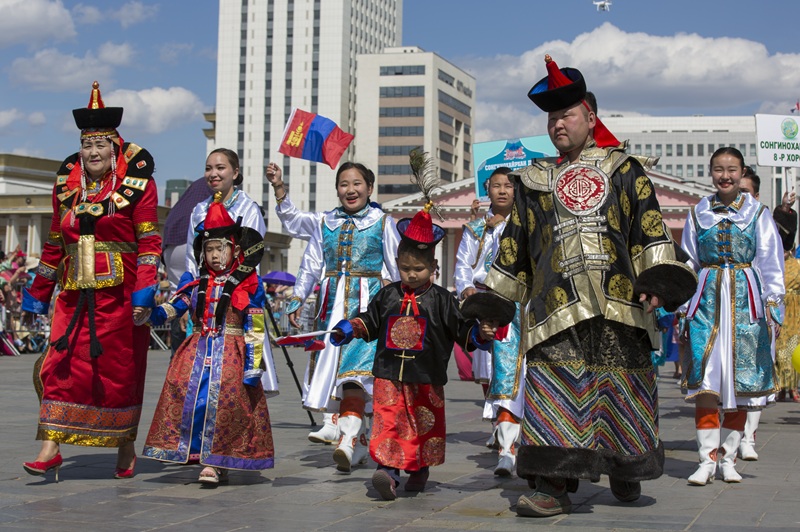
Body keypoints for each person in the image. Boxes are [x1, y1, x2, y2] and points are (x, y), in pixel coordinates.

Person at [483, 56, 697, 517]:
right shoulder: (534, 179)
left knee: (623, 387)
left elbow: (649, 229)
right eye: (552, 117)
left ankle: (627, 467)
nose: (559, 124)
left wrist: (659, 279)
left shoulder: (625, 169)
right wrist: (494, 299)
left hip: (621, 302)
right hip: (552, 307)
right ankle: (553, 483)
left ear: (590, 118)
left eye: (568, 115)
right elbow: (515, 243)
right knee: (556, 388)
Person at [21, 82, 161, 480]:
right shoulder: (65, 189)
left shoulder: (139, 186)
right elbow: (53, 243)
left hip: (120, 297)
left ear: (115, 148)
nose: (93, 152)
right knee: (59, 366)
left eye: (101, 145)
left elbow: (149, 242)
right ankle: (50, 447)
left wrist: (145, 290)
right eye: (87, 145)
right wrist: (37, 292)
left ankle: (125, 443)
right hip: (72, 294)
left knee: (117, 374)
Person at [331, 204, 501, 500]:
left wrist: (479, 335)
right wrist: (350, 327)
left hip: (426, 377)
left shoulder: (442, 300)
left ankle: (419, 469)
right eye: (405, 268)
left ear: (433, 267)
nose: (410, 275)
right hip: (387, 374)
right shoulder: (387, 294)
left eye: (418, 269)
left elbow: (462, 331)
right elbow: (370, 320)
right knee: (387, 421)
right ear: (396, 263)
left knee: (422, 427)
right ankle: (387, 470)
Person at [143, 193, 274, 484]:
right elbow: (175, 305)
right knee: (187, 396)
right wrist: (150, 314)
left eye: (221, 249)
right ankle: (196, 453)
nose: (215, 255)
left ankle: (217, 461)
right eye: (210, 249)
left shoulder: (248, 283)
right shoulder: (195, 283)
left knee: (228, 402)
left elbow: (254, 325)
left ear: (235, 250)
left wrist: (255, 364)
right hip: (197, 350)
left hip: (232, 352)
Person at [280, 162, 401, 472]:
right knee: (336, 374)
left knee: (357, 375)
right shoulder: (326, 222)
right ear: (337, 189)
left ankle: (347, 440)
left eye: (357, 183)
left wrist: (402, 303)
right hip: (331, 305)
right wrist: (298, 296)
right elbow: (311, 263)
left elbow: (398, 265)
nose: (351, 189)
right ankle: (357, 441)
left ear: (370, 188)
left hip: (368, 309)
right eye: (344, 184)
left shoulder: (383, 222)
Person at [681, 147, 784, 485]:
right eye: (718, 169)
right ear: (710, 172)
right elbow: (689, 262)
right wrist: (683, 304)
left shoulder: (758, 212)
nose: (725, 175)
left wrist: (774, 308)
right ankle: (706, 460)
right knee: (706, 382)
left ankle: (728, 458)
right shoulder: (698, 212)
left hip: (745, 299)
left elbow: (770, 261)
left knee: (741, 383)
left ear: (742, 174)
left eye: (732, 169)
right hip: (707, 298)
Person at [187, 149, 279, 397]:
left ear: (235, 172)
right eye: (208, 168)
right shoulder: (199, 210)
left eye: (220, 168)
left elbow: (252, 254)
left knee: (238, 375)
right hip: (205, 294)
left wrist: (232, 287)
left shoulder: (248, 208)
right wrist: (189, 291)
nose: (213, 174)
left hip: (238, 294)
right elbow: (191, 257)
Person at [454, 166, 523, 476]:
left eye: (509, 185)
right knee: (492, 373)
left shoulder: (526, 227)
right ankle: (503, 437)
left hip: (520, 306)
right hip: (487, 305)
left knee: (519, 375)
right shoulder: (475, 229)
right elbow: (463, 265)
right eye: (496, 185)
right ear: (488, 190)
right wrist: (466, 289)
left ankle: (513, 443)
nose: (503, 190)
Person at [162, 178, 212, 355]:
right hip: (190, 245)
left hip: (171, 245)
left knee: (179, 299)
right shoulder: (211, 189)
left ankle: (177, 358)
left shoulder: (193, 192)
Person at [773, 193, 800, 406]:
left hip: (794, 313)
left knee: (791, 350)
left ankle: (791, 387)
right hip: (776, 307)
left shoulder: (796, 265)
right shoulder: (770, 263)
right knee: (777, 352)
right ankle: (779, 388)